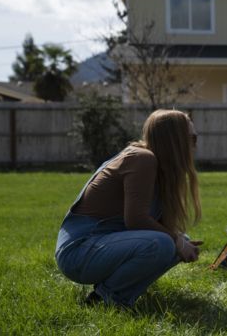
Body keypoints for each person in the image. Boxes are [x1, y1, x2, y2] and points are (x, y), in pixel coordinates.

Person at [55, 109, 203, 308]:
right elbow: (135, 219)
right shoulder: (142, 158)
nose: (195, 145)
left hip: (98, 246)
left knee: (177, 241)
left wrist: (179, 240)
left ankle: (115, 291)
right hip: (78, 251)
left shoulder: (159, 168)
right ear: (174, 140)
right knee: (163, 243)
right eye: (192, 138)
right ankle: (105, 299)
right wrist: (175, 240)